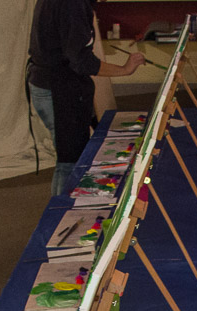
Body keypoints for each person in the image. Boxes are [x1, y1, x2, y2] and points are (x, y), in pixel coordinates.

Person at [27, 0, 145, 195]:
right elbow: (81, 61)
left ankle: (62, 205)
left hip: (52, 84)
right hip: (58, 90)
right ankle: (62, 208)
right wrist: (124, 70)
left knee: (69, 157)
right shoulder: (73, 4)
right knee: (70, 161)